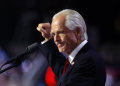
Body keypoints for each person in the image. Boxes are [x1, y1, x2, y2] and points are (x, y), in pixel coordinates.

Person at [37, 9, 106, 86]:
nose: (56, 39)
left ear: (77, 32)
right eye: (54, 34)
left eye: (61, 32)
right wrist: (48, 39)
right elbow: (62, 72)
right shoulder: (80, 57)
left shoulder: (88, 60)